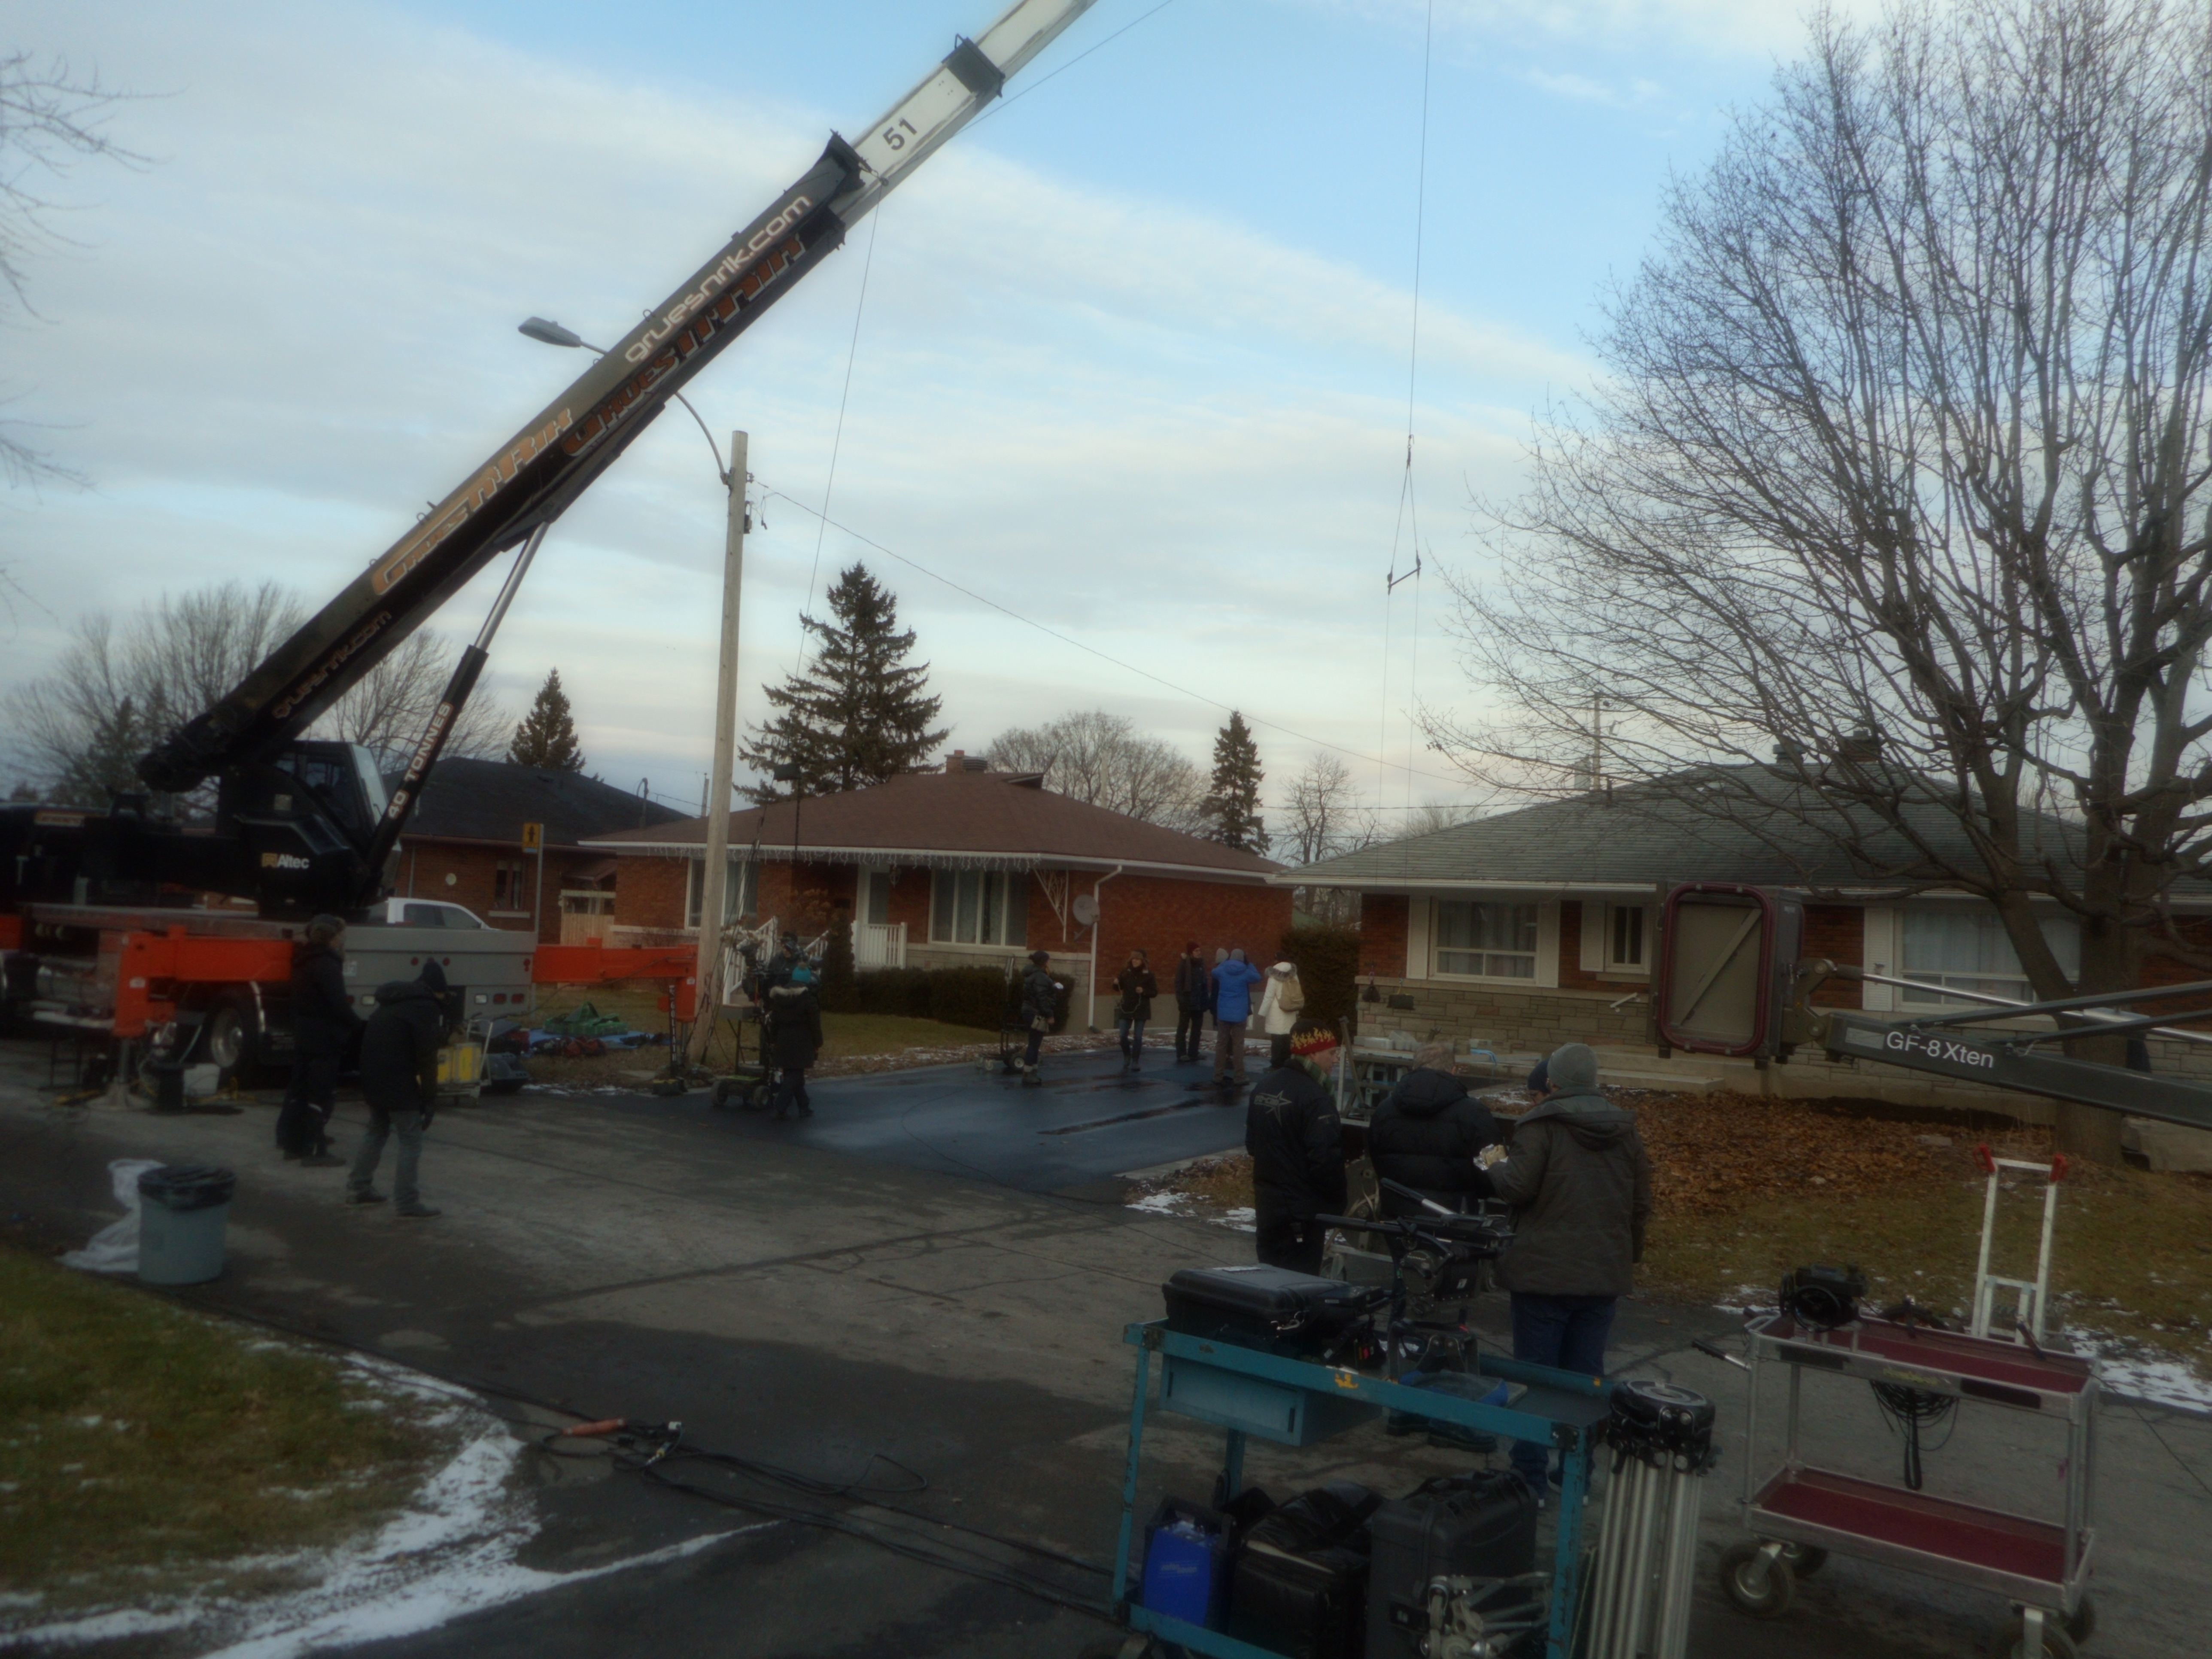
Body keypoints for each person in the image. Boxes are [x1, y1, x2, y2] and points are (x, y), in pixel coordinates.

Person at [1484, 1042, 1652, 1501]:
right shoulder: (1626, 1131)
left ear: (1552, 1083)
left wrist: (1494, 1164)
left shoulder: (1541, 1126)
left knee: (1535, 1380)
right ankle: (1576, 1476)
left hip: (1544, 1274)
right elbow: (1640, 1204)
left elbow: (1517, 1187)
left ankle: (1529, 1480)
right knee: (1585, 1379)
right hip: (1601, 1273)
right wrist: (1625, 1256)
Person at [347, 960, 450, 1219]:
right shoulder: (424, 1008)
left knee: (377, 1130)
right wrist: (429, 1100)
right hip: (397, 1081)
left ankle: (359, 1188)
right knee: (411, 1139)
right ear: (437, 991)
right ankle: (407, 1202)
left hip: (372, 1076)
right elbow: (427, 1058)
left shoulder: (393, 1004)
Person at [1245, 1023, 1348, 1274]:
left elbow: (1252, 1145)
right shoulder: (1316, 1098)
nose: (1335, 1059)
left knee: (1269, 1282)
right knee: (1299, 1288)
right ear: (1312, 1054)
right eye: (1331, 1053)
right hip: (1302, 1213)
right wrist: (1337, 1205)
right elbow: (1326, 1160)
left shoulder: (1264, 1086)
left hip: (1268, 1207)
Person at [1367, 1042, 1502, 1219]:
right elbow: (1495, 1170)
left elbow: (1376, 1158)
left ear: (1414, 1068)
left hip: (1398, 1216)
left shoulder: (1384, 1111)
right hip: (1454, 1217)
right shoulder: (1474, 1114)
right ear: (1453, 1070)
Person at [278, 914, 362, 1167]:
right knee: (321, 1091)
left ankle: (292, 1143)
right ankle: (315, 1148)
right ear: (331, 937)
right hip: (324, 1035)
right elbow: (337, 1003)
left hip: (305, 1032)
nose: (341, 940)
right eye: (339, 935)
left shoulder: (304, 960)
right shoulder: (326, 964)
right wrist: (358, 1027)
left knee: (300, 1086)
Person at [766, 961, 823, 1119]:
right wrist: (818, 1043)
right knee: (795, 1075)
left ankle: (804, 1106)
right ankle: (780, 1108)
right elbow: (815, 1025)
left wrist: (773, 1040)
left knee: (792, 1073)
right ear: (807, 981)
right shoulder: (809, 1000)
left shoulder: (780, 999)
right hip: (802, 1041)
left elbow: (775, 1022)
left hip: (783, 1040)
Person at [1209, 948, 1265, 1088]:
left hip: (1223, 1014)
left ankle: (1218, 1076)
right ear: (1242, 959)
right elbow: (1258, 977)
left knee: (1221, 1045)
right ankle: (1239, 1076)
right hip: (1239, 1015)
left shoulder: (1222, 971)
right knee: (1238, 1046)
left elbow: (1213, 972)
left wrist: (1225, 963)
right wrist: (1249, 963)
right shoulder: (1246, 972)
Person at [1112, 949, 1159, 1072]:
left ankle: (1135, 1061)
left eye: (1137, 959)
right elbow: (1119, 987)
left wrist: (1144, 991)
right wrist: (1116, 983)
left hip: (1141, 1008)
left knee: (1138, 1036)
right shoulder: (1125, 973)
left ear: (1142, 961)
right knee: (1122, 1036)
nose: (1135, 961)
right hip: (1126, 1007)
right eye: (1133, 959)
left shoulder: (1148, 974)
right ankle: (1127, 1056)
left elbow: (1154, 992)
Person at [1019, 949, 1060, 1088]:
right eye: (1048, 960)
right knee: (1034, 1044)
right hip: (1036, 1013)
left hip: (1029, 1011)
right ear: (1044, 962)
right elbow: (1042, 998)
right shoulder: (1041, 977)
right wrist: (1049, 1015)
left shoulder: (1032, 974)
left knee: (1034, 1042)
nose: (1049, 963)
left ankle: (1033, 1071)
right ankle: (1028, 1074)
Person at [1255, 960, 1306, 1070]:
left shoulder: (1274, 976)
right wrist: (1297, 1011)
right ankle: (1287, 1065)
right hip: (1291, 1010)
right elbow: (1296, 993)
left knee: (1277, 1040)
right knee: (1288, 1040)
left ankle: (1276, 1066)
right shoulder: (1294, 975)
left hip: (1277, 1012)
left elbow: (1269, 997)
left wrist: (1262, 1013)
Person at [1171, 942, 1209, 1063]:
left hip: (1198, 1002)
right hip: (1187, 1002)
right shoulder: (1184, 964)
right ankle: (1181, 1053)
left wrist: (1205, 1000)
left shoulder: (1201, 965)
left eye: (1199, 950)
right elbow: (1178, 984)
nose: (1199, 953)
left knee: (1197, 1029)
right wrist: (1181, 1001)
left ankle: (1194, 1052)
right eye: (1196, 951)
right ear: (1191, 952)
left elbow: (1204, 984)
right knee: (1183, 1028)